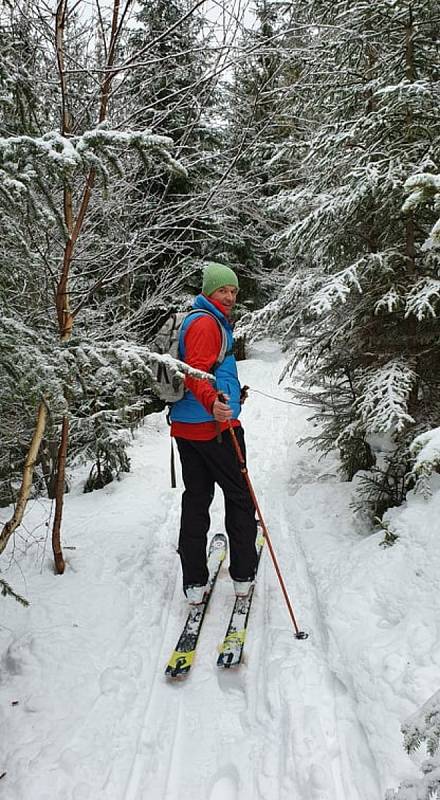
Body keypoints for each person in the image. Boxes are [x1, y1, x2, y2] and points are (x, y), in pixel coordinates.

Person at [169, 262, 258, 604]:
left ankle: (194, 582)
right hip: (216, 429)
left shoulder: (200, 320)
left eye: (233, 291)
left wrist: (234, 394)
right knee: (239, 497)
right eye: (223, 290)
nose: (230, 297)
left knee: (197, 498)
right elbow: (195, 374)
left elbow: (205, 371)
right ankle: (243, 575)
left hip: (188, 428)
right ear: (208, 290)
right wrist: (216, 405)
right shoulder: (206, 323)